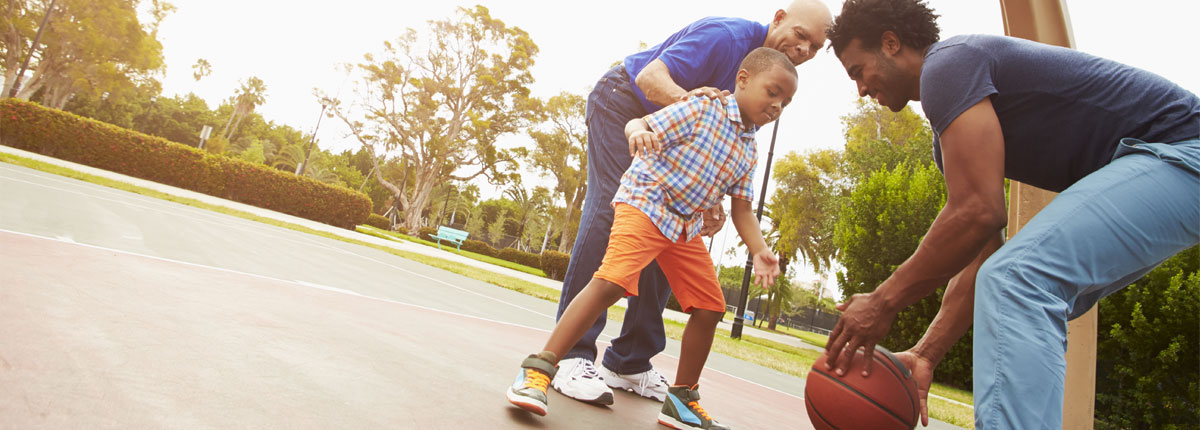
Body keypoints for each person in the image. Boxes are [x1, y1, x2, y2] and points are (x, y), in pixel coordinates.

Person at [820, 0, 1199, 428]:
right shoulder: (951, 133)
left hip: (1184, 149)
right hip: (1167, 164)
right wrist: (926, 353)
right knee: (1017, 283)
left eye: (857, 71)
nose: (861, 89)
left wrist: (884, 301)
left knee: (1019, 280)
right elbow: (980, 254)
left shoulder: (949, 64)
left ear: (890, 44)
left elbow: (980, 211)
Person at [553, 0, 832, 406]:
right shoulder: (727, 37)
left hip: (674, 145)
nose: (805, 50)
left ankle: (629, 361)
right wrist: (690, 102)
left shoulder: (771, 77)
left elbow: (724, 147)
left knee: (677, 227)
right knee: (609, 215)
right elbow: (651, 77)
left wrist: (709, 195)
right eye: (801, 35)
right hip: (625, 106)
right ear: (778, 19)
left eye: (815, 47)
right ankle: (570, 357)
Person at [507, 47, 796, 430]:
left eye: (786, 102)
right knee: (611, 282)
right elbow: (639, 122)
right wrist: (639, 131)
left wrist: (760, 251)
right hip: (647, 203)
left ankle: (681, 400)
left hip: (683, 226)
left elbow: (742, 209)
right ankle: (538, 370)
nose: (777, 106)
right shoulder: (702, 109)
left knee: (710, 307)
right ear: (742, 79)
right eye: (772, 92)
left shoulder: (749, 148)